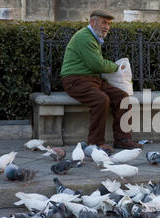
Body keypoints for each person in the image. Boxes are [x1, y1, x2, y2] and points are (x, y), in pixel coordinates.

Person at [60, 9, 142, 153]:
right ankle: (95, 143)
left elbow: (96, 65)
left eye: (109, 24)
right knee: (101, 99)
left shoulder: (93, 38)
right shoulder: (84, 37)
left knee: (122, 97)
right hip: (75, 80)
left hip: (92, 80)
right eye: (104, 22)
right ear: (93, 21)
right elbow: (96, 64)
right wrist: (116, 67)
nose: (107, 27)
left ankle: (122, 139)